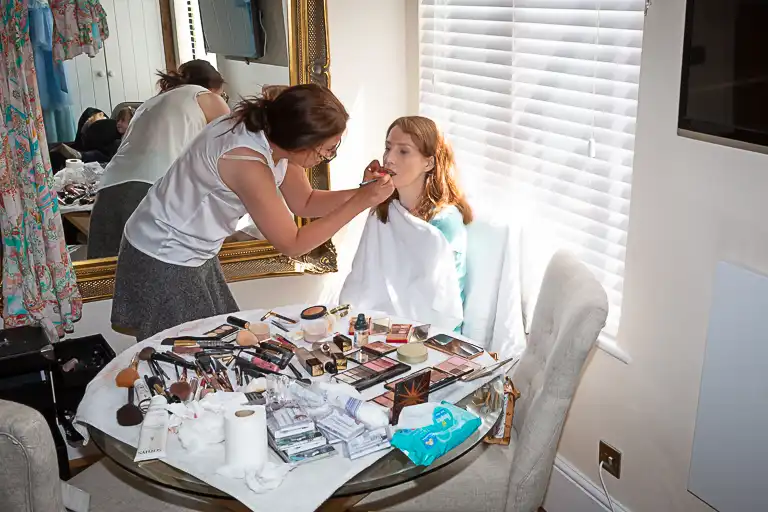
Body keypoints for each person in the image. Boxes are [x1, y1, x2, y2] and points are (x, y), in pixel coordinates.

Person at [111, 83, 394, 341]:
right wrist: (361, 202)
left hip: (192, 250)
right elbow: (292, 244)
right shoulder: (246, 161)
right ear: (301, 143)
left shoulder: (276, 132)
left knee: (222, 339)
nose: (327, 157)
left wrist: (363, 192)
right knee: (191, 352)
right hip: (163, 254)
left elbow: (305, 202)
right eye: (326, 150)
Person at [86, 59, 230, 259]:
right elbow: (230, 149)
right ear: (213, 86)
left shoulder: (151, 103)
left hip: (109, 188)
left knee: (103, 271)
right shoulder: (206, 97)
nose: (223, 98)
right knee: (154, 271)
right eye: (223, 94)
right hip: (151, 187)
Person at [340, 116, 472, 331]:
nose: (389, 159)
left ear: (428, 162)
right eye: (388, 148)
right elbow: (364, 280)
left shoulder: (444, 223)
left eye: (403, 151)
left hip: (430, 337)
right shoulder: (383, 211)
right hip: (378, 327)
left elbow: (440, 304)